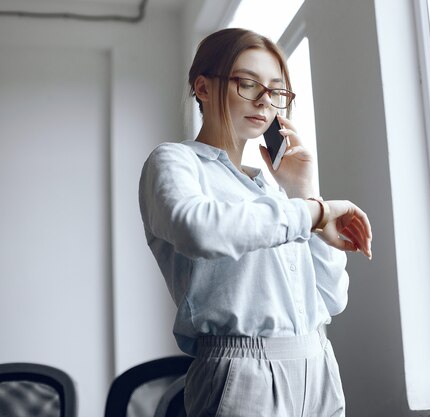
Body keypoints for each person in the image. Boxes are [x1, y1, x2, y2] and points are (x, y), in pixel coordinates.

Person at [138, 27, 372, 417]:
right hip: (242, 372)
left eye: (276, 91)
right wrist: (315, 213)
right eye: (248, 84)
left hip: (318, 366)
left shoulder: (275, 189)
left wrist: (303, 190)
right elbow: (200, 229)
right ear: (204, 88)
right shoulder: (174, 162)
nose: (265, 102)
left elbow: (331, 299)